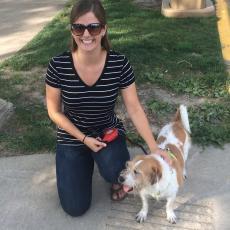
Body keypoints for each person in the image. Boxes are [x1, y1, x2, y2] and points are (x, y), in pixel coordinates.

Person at [45, 0, 171, 217]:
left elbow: (134, 108)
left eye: (93, 27)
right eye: (79, 27)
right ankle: (85, 163)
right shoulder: (58, 65)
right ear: (72, 30)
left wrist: (153, 147)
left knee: (117, 172)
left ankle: (111, 176)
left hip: (107, 133)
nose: (86, 34)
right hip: (72, 137)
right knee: (75, 208)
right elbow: (54, 111)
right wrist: (83, 139)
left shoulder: (119, 63)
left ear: (104, 29)